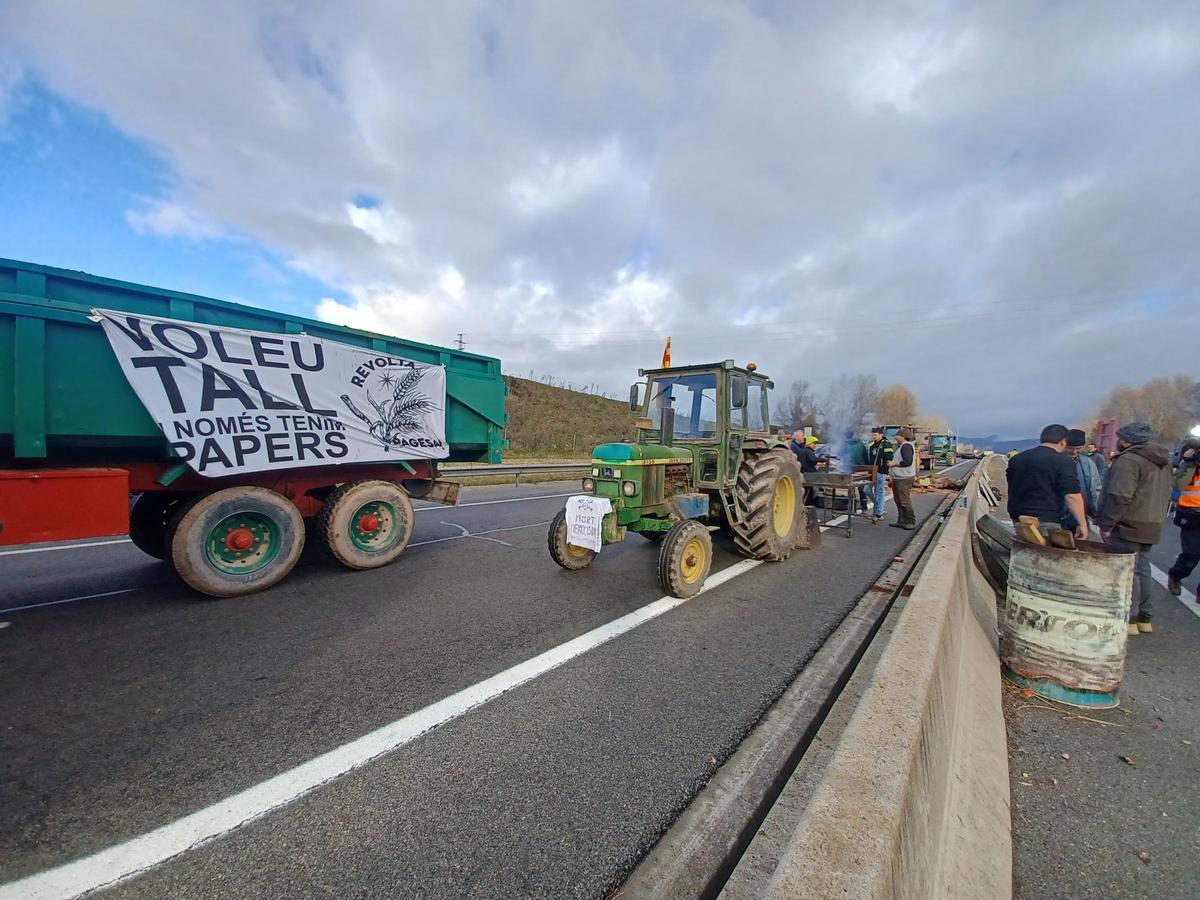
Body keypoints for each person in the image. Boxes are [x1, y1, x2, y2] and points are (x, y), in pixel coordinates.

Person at [1096, 422, 1173, 635]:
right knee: (1142, 569)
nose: (1118, 441)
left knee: (1127, 571)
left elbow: (1119, 496)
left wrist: (1107, 524)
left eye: (1121, 438)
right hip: (1152, 522)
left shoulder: (1128, 460)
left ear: (1127, 440)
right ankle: (1144, 618)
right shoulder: (1163, 462)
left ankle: (1129, 618)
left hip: (1128, 523)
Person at [1006, 424, 1087, 540]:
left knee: (1023, 546)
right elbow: (1072, 496)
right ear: (1063, 441)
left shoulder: (1017, 459)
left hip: (1018, 517)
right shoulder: (1064, 462)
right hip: (1047, 518)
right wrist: (1082, 524)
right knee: (1044, 549)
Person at [1167, 438, 1200, 600]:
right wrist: (1188, 462)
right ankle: (1176, 575)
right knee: (1191, 555)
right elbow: (1178, 485)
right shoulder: (1191, 463)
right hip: (1192, 513)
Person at [1061, 429, 1101, 533]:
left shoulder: (1088, 463)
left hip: (1082, 514)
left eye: (1078, 448)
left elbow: (1096, 487)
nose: (1074, 452)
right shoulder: (1055, 462)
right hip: (1059, 516)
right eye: (1070, 448)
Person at [887, 428, 917, 530]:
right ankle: (901, 520)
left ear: (901, 436)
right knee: (898, 501)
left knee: (904, 501)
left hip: (904, 478)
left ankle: (910, 521)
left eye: (897, 436)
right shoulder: (902, 447)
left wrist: (893, 464)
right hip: (898, 478)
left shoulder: (906, 446)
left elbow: (907, 461)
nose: (895, 438)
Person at [864, 426, 894, 522]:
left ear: (881, 434)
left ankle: (878, 513)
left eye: (875, 435)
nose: (874, 436)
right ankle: (878, 506)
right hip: (872, 471)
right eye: (873, 435)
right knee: (866, 489)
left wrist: (886, 471)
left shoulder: (886, 444)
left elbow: (889, 458)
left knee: (879, 492)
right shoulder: (871, 444)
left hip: (881, 471)